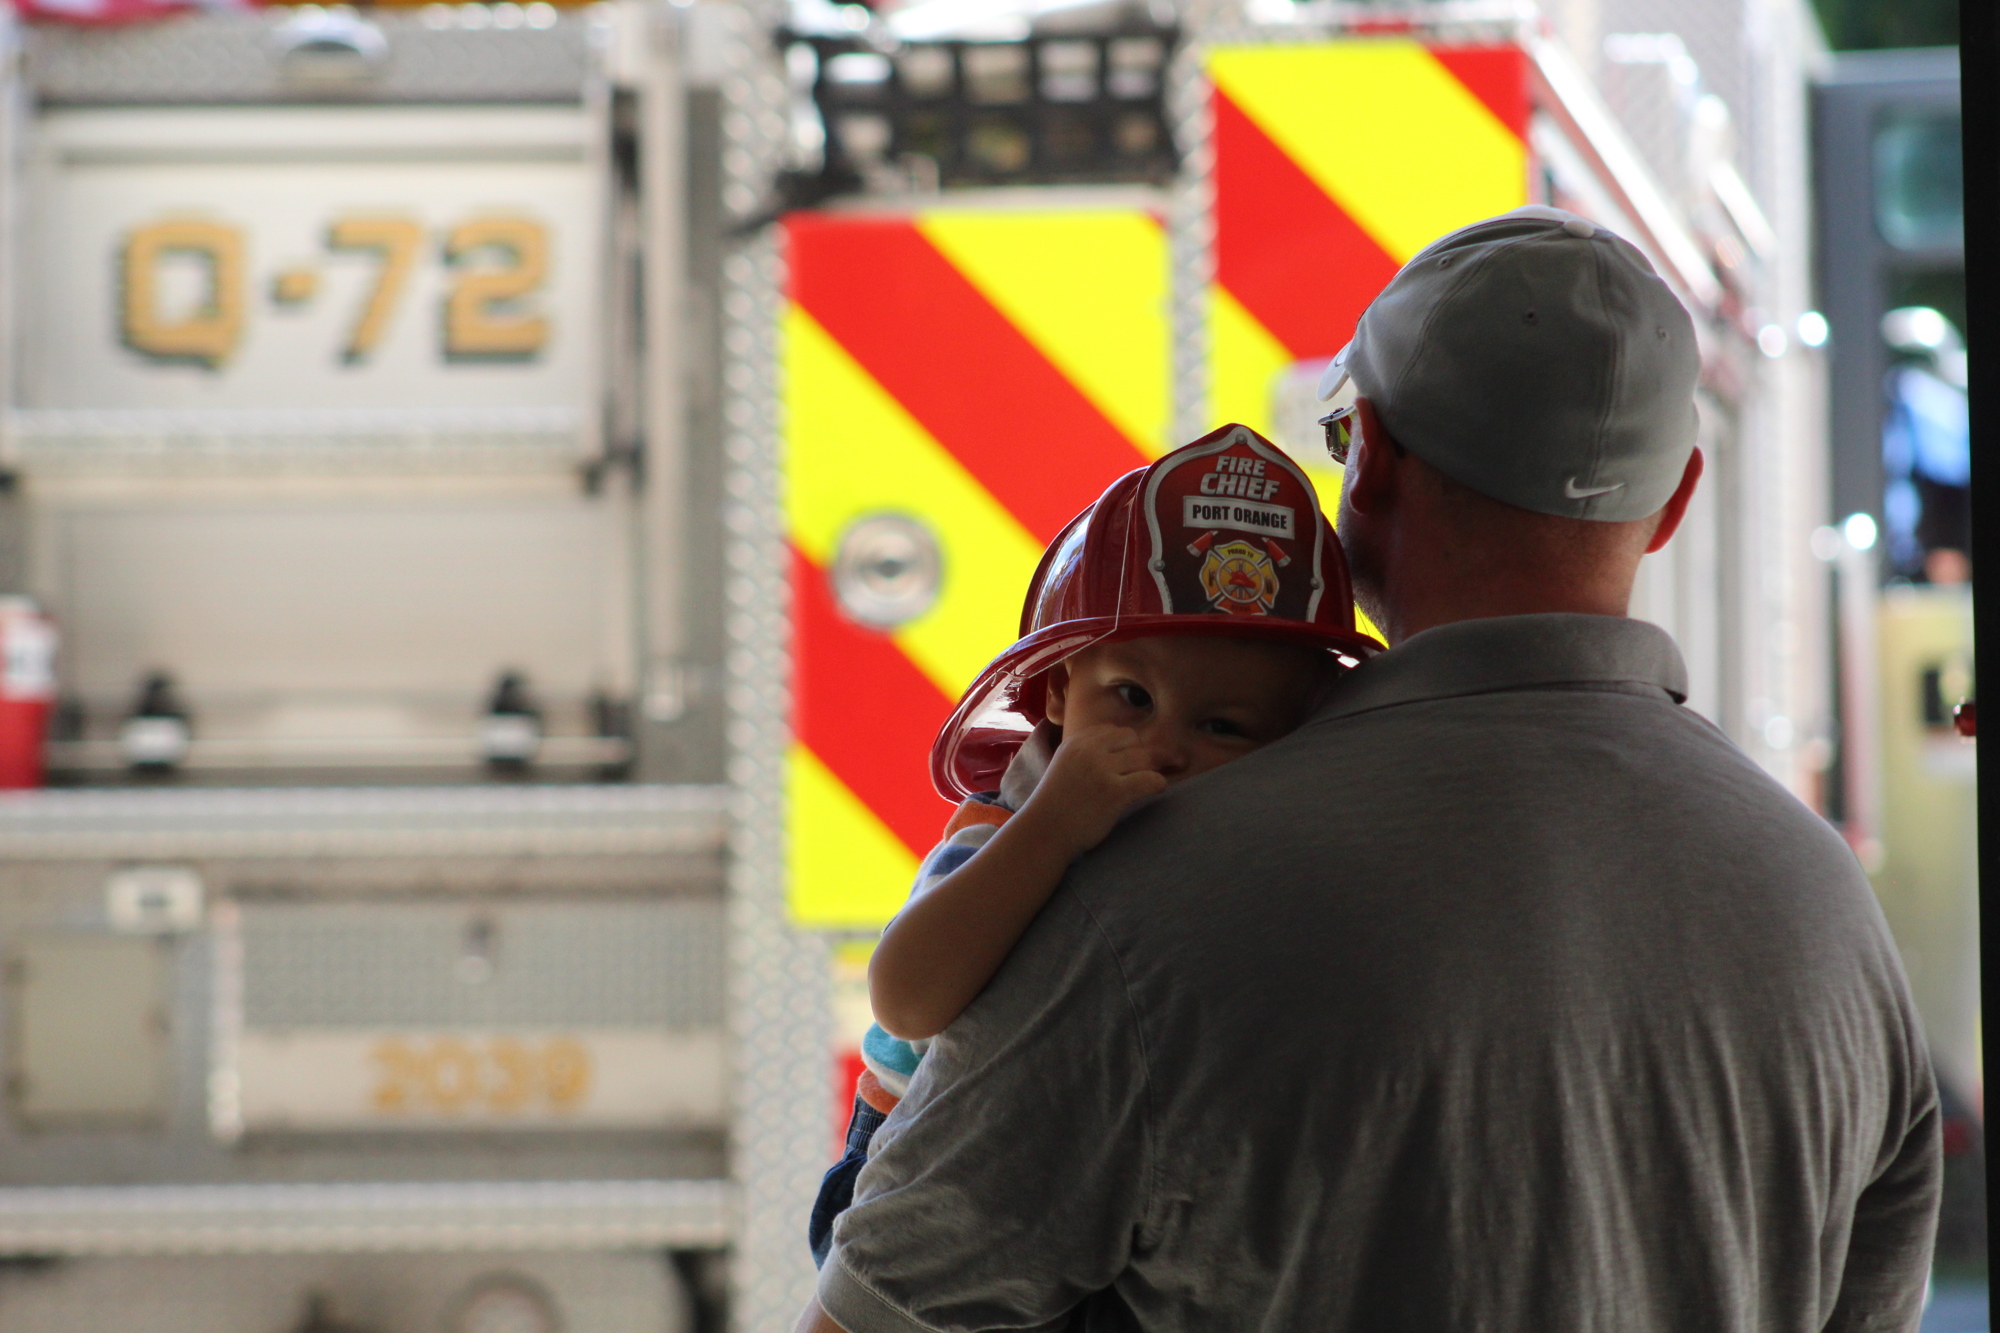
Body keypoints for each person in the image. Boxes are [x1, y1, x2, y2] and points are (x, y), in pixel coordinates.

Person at [799, 207, 1940, 1333]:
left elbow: (878, 1310)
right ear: (1672, 505)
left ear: (1373, 463)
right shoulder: (1829, 916)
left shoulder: (1149, 896)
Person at [808, 422, 1383, 1266]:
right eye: (1129, 697)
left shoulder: (1237, 848)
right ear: (1050, 689)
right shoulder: (1010, 826)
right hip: (909, 1176)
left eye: (1224, 725)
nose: (1165, 746)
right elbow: (905, 999)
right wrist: (1053, 829)